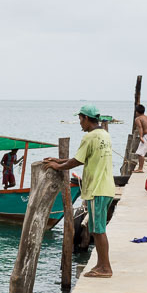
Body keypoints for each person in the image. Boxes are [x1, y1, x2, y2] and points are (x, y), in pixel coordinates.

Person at [44, 103, 114, 278]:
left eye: (80, 119)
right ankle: (101, 264)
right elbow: (83, 158)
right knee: (97, 229)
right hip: (106, 187)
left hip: (96, 190)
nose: (80, 123)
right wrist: (60, 160)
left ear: (87, 118)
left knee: (98, 230)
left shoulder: (89, 137)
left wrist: (57, 166)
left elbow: (76, 162)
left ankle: (105, 267)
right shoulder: (104, 135)